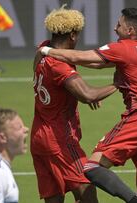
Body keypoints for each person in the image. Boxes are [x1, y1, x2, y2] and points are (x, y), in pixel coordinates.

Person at [39, 7, 137, 203]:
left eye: (119, 25)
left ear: (130, 31)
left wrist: (47, 50)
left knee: (92, 167)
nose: (114, 28)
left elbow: (79, 57)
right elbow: (98, 63)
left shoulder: (123, 48)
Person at [30, 6, 117, 203]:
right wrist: (117, 84)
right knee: (87, 192)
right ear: (72, 35)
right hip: (59, 138)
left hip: (39, 137)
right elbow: (88, 95)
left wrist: (77, 95)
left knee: (54, 199)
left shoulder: (43, 50)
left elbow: (61, 88)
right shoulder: (59, 64)